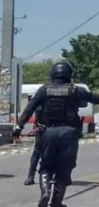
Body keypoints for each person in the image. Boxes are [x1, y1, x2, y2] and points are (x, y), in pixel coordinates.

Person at [12, 62, 99, 207]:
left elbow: (29, 109)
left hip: (48, 132)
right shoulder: (76, 90)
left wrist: (18, 127)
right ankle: (57, 200)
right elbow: (95, 99)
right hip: (69, 133)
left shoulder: (44, 90)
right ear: (69, 75)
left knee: (46, 165)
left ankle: (45, 191)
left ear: (53, 74)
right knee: (65, 166)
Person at [24, 105, 44, 186]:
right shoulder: (43, 94)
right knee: (37, 153)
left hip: (60, 128)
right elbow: (35, 109)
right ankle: (31, 175)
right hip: (43, 128)